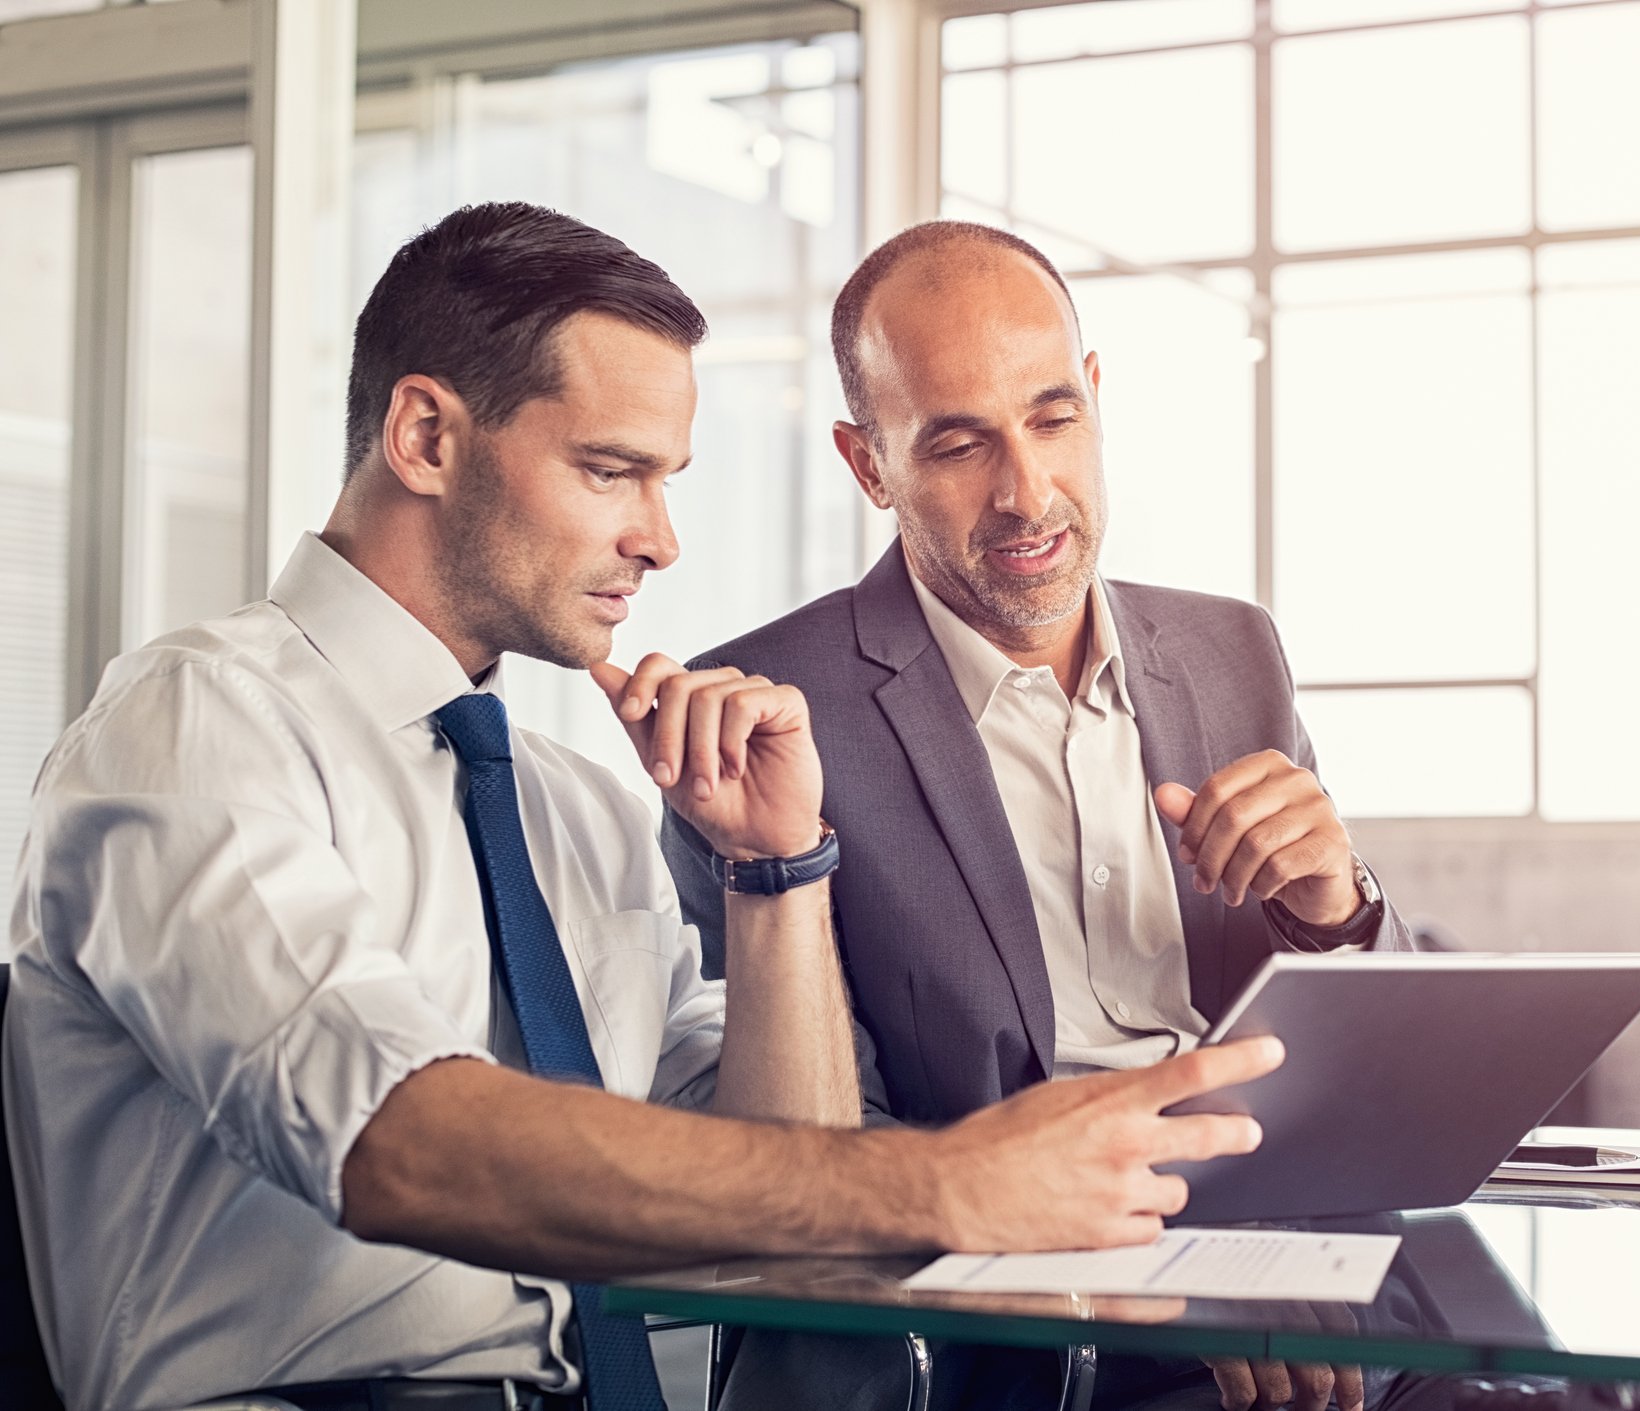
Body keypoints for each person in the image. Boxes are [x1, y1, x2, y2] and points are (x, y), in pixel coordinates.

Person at [1, 202, 1279, 1411]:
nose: (662, 539)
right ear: (426, 439)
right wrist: (953, 1182)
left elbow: (791, 1210)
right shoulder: (196, 728)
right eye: (614, 472)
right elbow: (397, 1141)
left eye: (666, 480)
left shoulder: (577, 811)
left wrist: (776, 873)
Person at [663, 221, 1432, 1411]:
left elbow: (1375, 1066)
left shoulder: (1233, 651)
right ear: (869, 465)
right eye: (959, 444)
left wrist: (1339, 906)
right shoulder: (771, 717)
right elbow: (806, 1167)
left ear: (1096, 398)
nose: (1027, 492)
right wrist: (1164, 1268)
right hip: (1013, 1345)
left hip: (1294, 1284)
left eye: (1052, 417)